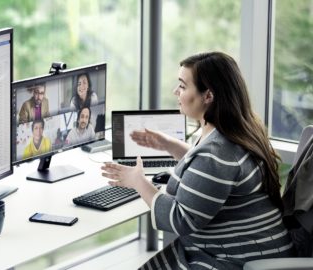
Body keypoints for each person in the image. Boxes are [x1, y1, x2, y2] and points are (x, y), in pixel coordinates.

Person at [101, 52, 294, 269]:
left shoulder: (217, 153)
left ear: (208, 96)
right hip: (261, 249)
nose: (176, 92)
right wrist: (169, 145)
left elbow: (179, 219)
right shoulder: (238, 132)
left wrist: (138, 181)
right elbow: (215, 173)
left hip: (236, 260)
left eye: (182, 86)